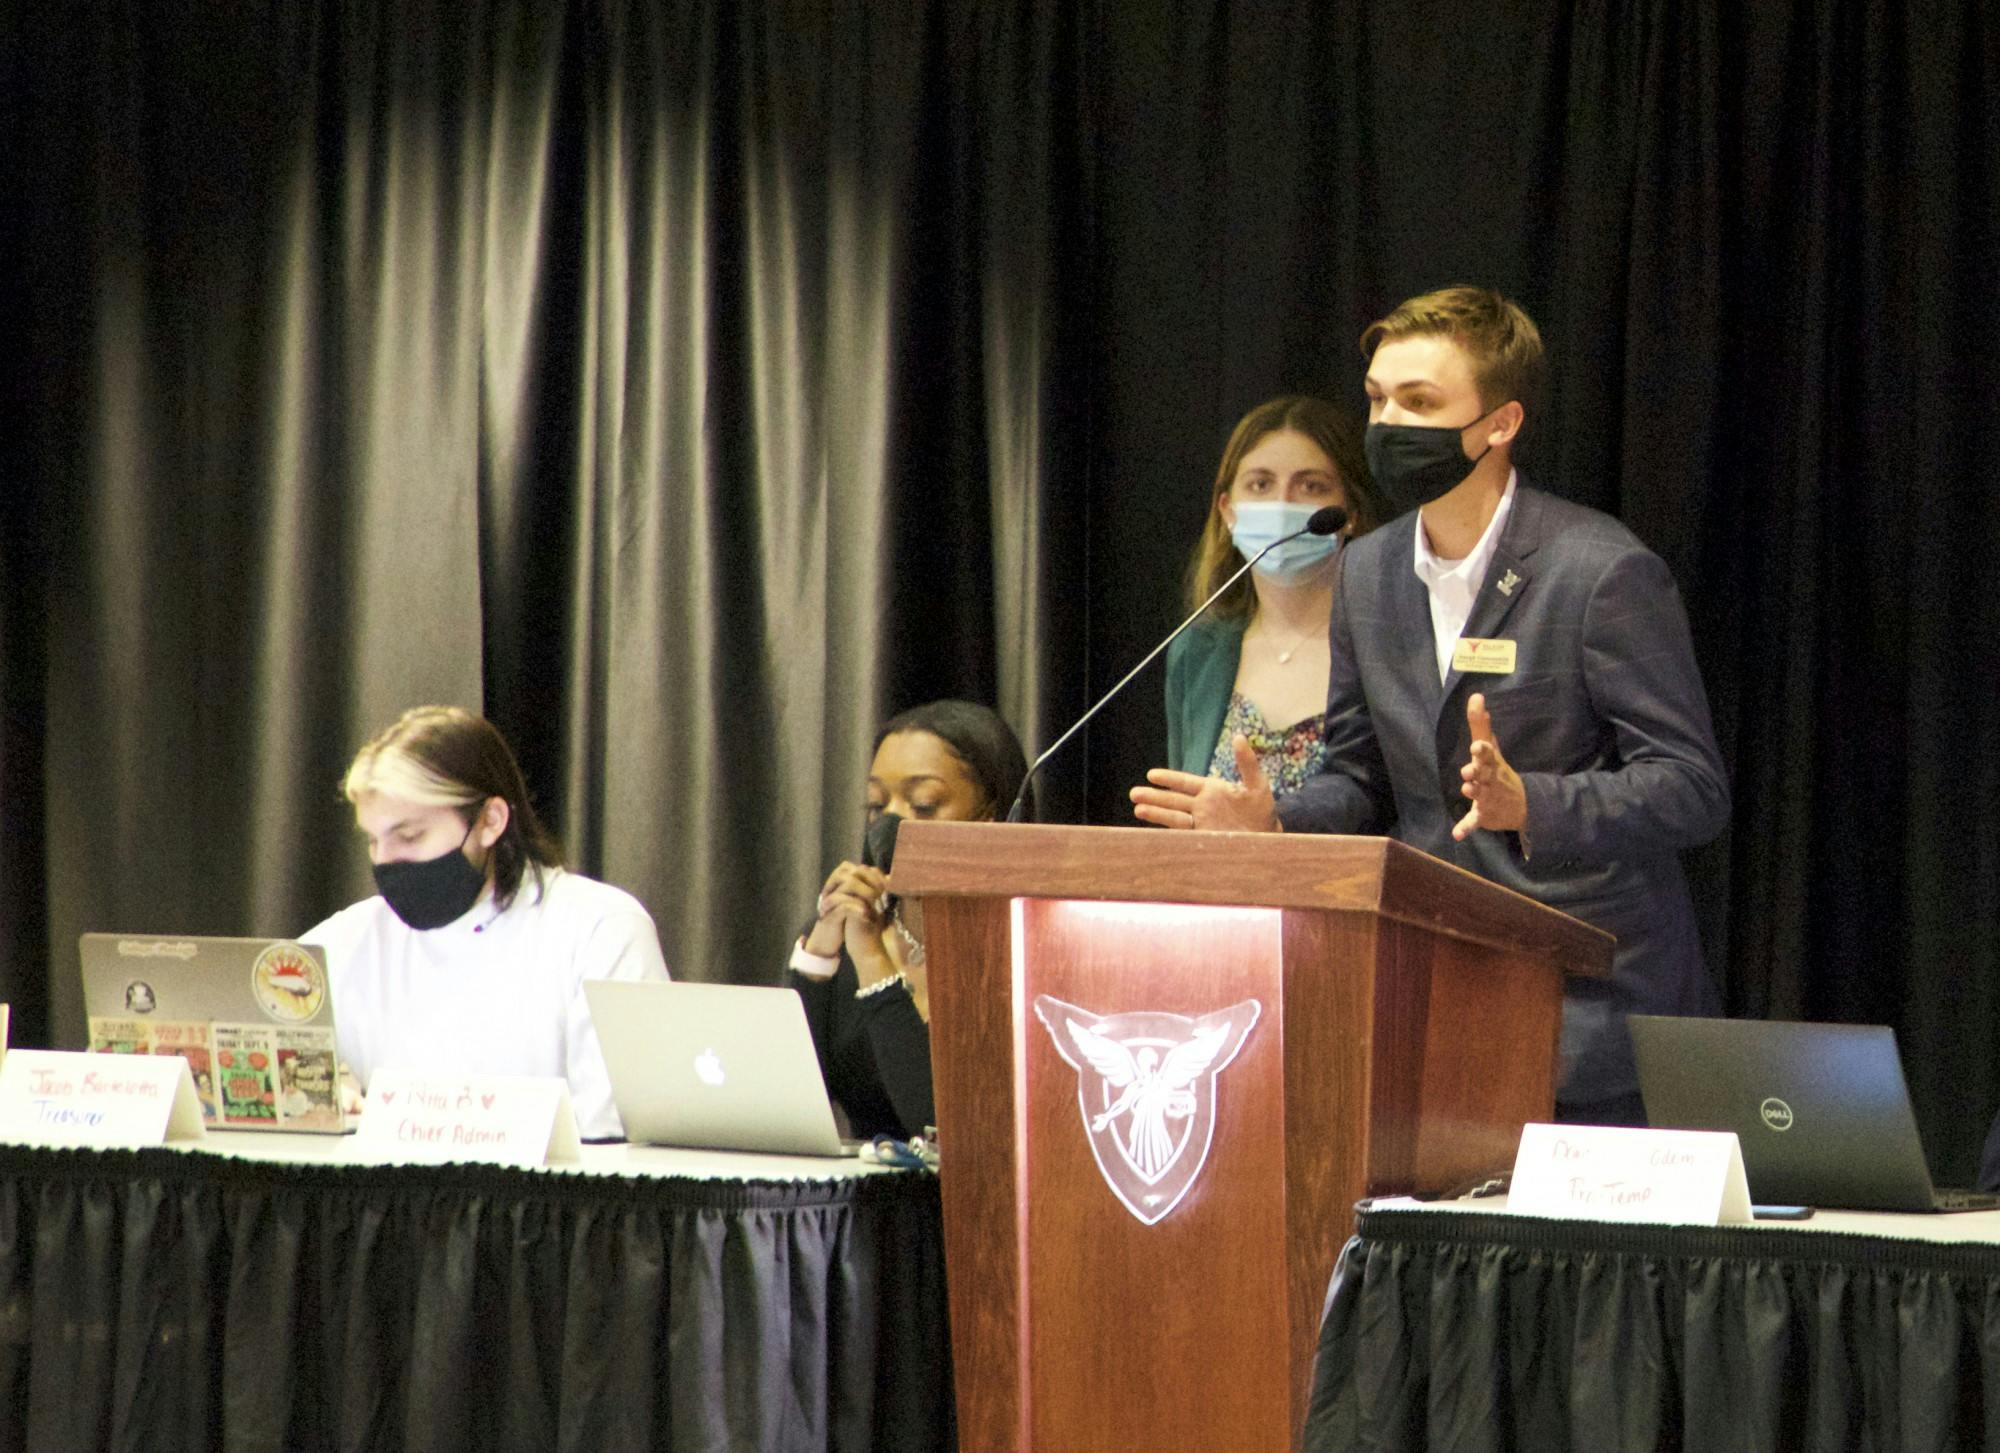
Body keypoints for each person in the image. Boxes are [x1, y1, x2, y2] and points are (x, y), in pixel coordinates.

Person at [1132, 287, 1730, 1125]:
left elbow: (1692, 786)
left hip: (1590, 1016)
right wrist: (1276, 824)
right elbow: (1359, 777)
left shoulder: (1599, 571)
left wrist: (1536, 803)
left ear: (1499, 423)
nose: (1387, 424)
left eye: (1420, 402)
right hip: (1432, 1004)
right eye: (1378, 398)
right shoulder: (1369, 572)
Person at [302, 705, 670, 1139]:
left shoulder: (600, 930)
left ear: (490, 821)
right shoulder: (343, 941)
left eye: (410, 835)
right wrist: (325, 1093)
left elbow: (620, 1141)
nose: (385, 863)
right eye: (373, 841)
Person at [789, 700, 1029, 1141]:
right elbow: (784, 1106)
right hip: (857, 1205)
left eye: (923, 804)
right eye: (877, 805)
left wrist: (873, 961)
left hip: (959, 1204)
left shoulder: (1021, 954)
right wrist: (817, 958)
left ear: (992, 817)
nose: (891, 823)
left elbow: (936, 1125)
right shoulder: (849, 936)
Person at [1167, 396, 1387, 800]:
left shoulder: (1388, 649)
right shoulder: (1196, 650)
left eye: (1311, 486)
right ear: (1228, 510)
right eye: (1260, 484)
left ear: (1349, 511)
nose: (1282, 503)